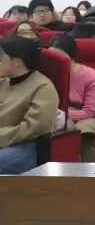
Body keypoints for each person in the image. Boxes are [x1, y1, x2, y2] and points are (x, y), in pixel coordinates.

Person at [0, 36, 60, 173]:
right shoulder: (3, 82)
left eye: (1, 60)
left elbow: (34, 128)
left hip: (24, 146)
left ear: (17, 61)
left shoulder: (43, 87)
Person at [49, 34, 95, 126]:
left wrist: (61, 115)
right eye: (52, 57)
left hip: (78, 119)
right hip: (51, 114)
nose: (55, 61)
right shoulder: (47, 71)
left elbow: (90, 111)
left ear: (72, 57)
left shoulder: (91, 76)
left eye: (60, 57)